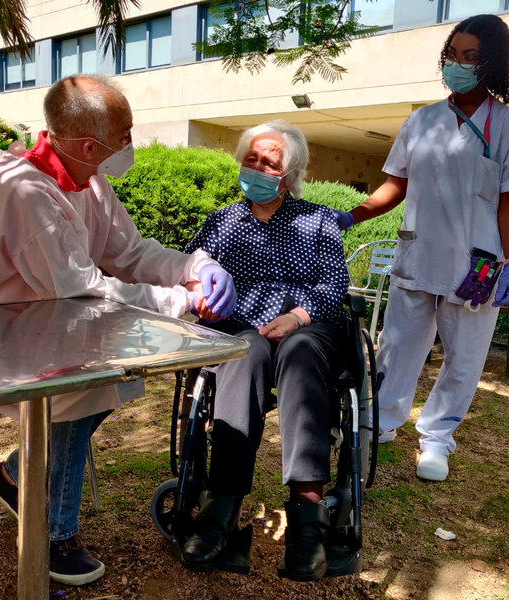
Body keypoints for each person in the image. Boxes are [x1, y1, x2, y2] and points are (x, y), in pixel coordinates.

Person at [0, 75, 236, 586]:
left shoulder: (89, 179)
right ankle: (53, 532)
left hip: (38, 322)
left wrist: (192, 267)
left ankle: (18, 474)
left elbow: (129, 252)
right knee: (79, 390)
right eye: (126, 133)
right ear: (91, 145)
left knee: (109, 380)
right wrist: (185, 301)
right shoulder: (25, 192)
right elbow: (80, 288)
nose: (131, 143)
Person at [332, 14, 509, 482]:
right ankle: (378, 423)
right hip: (418, 254)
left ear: (492, 65)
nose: (457, 65)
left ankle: (438, 438)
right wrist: (351, 215)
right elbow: (394, 185)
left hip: (476, 265)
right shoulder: (421, 120)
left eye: (470, 57)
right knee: (397, 347)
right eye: (452, 55)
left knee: (463, 358)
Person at [180, 120, 349, 581]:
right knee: (243, 352)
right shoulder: (221, 221)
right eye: (250, 159)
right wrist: (200, 293)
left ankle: (308, 515)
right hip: (242, 325)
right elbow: (188, 269)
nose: (256, 168)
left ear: (289, 174)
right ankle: (222, 505)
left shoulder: (319, 221)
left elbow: (335, 284)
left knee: (300, 353)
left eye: (268, 162)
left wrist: (298, 315)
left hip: (305, 325)